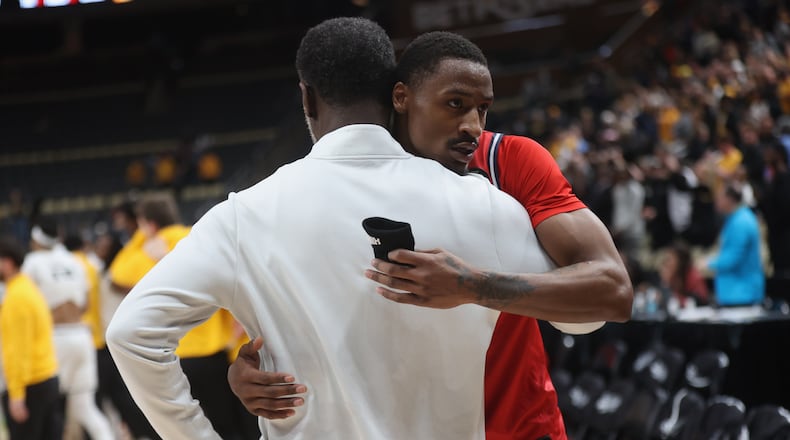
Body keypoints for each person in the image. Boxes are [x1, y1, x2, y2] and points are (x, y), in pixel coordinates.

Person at [106, 17, 597, 440]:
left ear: (307, 98)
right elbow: (585, 317)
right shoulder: (485, 203)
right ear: (394, 95)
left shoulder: (244, 216)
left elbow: (131, 334)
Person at [228, 31, 630, 440]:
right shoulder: (327, 186)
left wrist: (473, 286)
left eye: (483, 109)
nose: (472, 126)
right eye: (455, 104)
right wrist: (254, 370)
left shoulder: (509, 160)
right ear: (401, 98)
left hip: (518, 428)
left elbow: (612, 292)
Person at [22, 219, 114, 440]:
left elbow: (25, 303)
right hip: (82, 336)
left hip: (54, 338)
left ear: (36, 239)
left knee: (48, 409)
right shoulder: (75, 260)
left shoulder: (33, 261)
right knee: (85, 408)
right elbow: (85, 305)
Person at [0, 236, 62, 440]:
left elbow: (18, 350)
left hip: (30, 384)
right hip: (46, 377)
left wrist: (16, 395)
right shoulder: (28, 288)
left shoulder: (16, 298)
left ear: (7, 263)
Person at [705, 182, 765, 306]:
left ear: (730, 199)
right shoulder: (734, 219)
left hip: (742, 295)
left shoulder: (741, 222)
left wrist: (708, 263)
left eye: (720, 197)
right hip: (733, 293)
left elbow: (733, 258)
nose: (716, 200)